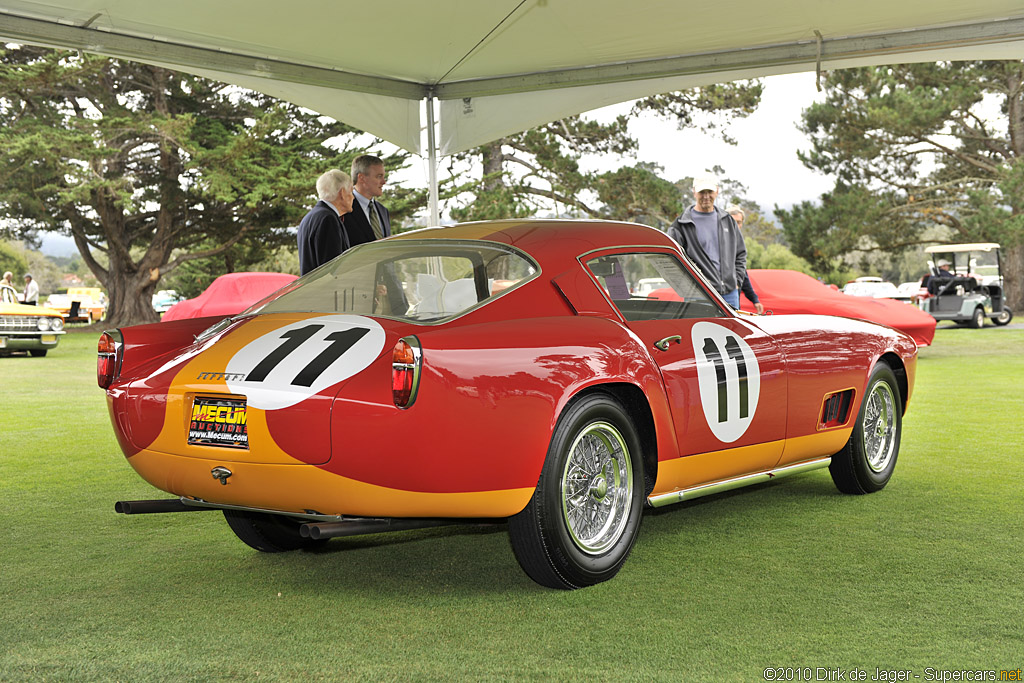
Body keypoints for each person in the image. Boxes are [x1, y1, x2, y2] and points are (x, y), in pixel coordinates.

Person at [667, 175, 747, 308]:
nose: (706, 196)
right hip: (698, 296)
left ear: (717, 191)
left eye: (709, 192)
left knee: (732, 329)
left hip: (730, 294)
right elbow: (671, 262)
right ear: (694, 192)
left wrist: (736, 281)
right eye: (702, 192)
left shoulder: (728, 221)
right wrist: (688, 288)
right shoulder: (680, 225)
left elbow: (741, 254)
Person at [297, 169, 354, 276]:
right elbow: (334, 270)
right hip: (327, 291)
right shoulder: (328, 219)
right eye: (351, 191)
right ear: (342, 193)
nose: (353, 197)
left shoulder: (310, 217)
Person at [343, 154, 391, 248]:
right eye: (379, 176)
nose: (384, 181)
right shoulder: (342, 211)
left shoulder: (383, 211)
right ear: (362, 178)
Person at [726, 205, 764, 314]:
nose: (736, 225)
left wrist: (754, 299)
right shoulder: (716, 240)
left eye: (739, 222)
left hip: (733, 297)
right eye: (733, 221)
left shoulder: (739, 243)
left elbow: (743, 274)